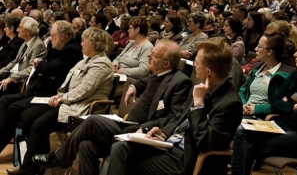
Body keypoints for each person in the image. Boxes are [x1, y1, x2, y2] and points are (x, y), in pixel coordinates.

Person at [0, 27, 114, 175]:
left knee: (38, 124)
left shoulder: (101, 64)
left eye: (84, 41)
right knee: (27, 116)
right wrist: (59, 95)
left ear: (94, 43)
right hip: (68, 102)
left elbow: (84, 89)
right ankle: (32, 164)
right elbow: (67, 83)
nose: (81, 44)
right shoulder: (86, 61)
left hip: (82, 108)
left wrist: (61, 98)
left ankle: (30, 168)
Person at [32, 40, 192, 175]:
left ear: (166, 63)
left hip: (143, 132)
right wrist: (134, 85)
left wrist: (144, 129)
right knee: (86, 145)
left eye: (154, 55)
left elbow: (173, 118)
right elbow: (148, 80)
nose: (149, 56)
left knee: (93, 121)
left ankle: (60, 157)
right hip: (129, 125)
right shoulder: (158, 74)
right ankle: (62, 157)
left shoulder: (180, 82)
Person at [0, 20, 82, 165]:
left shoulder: (71, 50)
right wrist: (44, 69)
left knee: (14, 108)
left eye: (53, 35)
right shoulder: (57, 49)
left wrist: (42, 67)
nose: (50, 38)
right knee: (5, 100)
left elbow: (49, 68)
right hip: (37, 88)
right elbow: (45, 69)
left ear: (62, 36)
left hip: (48, 94)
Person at [105, 38, 243, 175]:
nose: (194, 64)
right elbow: (179, 116)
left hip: (188, 158)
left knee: (129, 162)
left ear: (208, 72)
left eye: (197, 62)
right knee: (121, 148)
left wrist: (198, 106)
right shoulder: (199, 85)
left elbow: (204, 143)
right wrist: (164, 132)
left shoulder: (230, 104)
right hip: (170, 144)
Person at [231, 38, 297, 175]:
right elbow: (274, 101)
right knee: (242, 131)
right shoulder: (295, 74)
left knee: (249, 142)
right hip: (281, 127)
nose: (295, 55)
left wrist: (285, 105)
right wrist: (292, 107)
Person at [239, 32, 295, 119]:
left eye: (259, 46)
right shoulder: (256, 67)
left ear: (270, 52)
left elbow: (282, 105)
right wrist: (243, 105)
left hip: (263, 118)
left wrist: (257, 109)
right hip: (244, 113)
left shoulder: (285, 75)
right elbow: (242, 91)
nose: (256, 49)